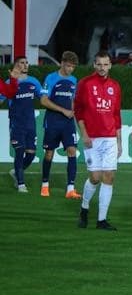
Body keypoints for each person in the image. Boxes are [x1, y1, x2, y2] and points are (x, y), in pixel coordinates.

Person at [74, 51, 122, 230]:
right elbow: (78, 110)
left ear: (110, 65)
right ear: (94, 65)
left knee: (109, 177)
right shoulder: (85, 83)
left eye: (106, 64)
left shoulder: (115, 86)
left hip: (110, 137)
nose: (102, 68)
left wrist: (119, 141)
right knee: (95, 177)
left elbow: (116, 114)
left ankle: (102, 220)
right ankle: (84, 208)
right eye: (99, 64)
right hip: (92, 137)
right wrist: (84, 133)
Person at [39, 51, 81, 198]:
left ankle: (70, 188)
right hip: (52, 122)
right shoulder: (51, 78)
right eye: (68, 66)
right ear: (62, 63)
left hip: (68, 123)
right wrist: (63, 110)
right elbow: (43, 100)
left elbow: (73, 99)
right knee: (49, 153)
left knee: (72, 151)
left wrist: (74, 110)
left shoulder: (74, 80)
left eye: (73, 67)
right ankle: (45, 185)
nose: (70, 69)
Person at [2, 56, 44, 192]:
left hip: (30, 123)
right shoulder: (10, 82)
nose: (25, 65)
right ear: (16, 66)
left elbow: (43, 97)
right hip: (16, 124)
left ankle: (16, 171)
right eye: (21, 63)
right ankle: (20, 184)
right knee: (19, 152)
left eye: (26, 62)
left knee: (31, 154)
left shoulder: (34, 82)